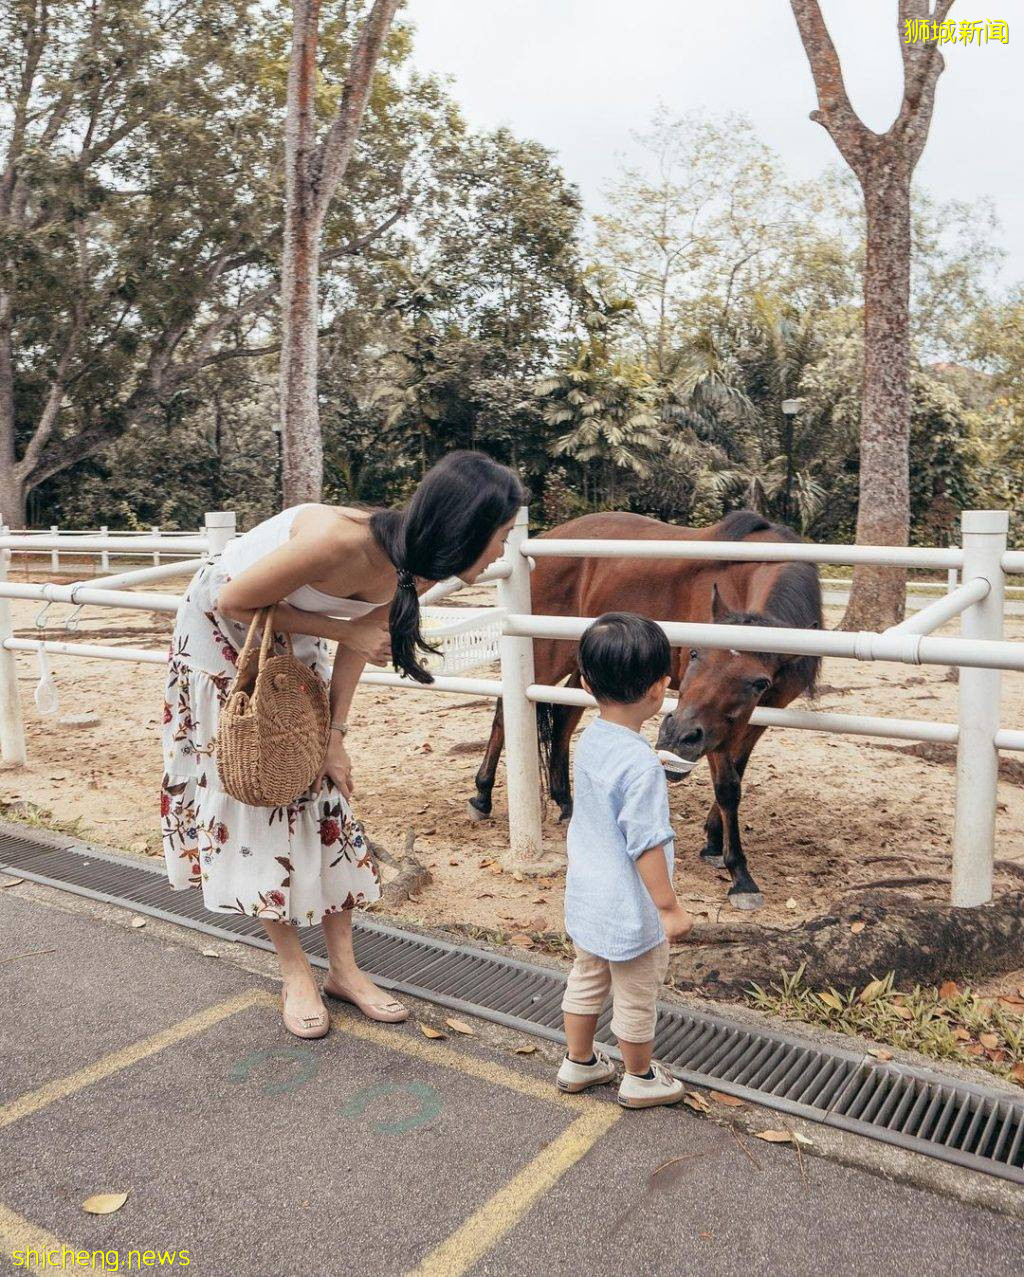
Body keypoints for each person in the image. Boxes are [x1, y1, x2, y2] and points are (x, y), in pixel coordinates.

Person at [160, 451, 525, 1038]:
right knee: (260, 790)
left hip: (291, 632)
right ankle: (294, 970)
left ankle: (345, 971)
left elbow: (365, 640)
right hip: (225, 638)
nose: (503, 552)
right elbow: (231, 602)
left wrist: (333, 736)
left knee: (324, 792)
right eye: (501, 537)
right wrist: (337, 628)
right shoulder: (340, 541)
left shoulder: (414, 565)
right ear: (467, 530)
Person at [557, 612, 694, 1108]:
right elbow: (646, 842)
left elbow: (606, 796)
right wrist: (668, 908)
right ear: (661, 690)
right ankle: (639, 1077)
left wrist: (644, 764)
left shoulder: (592, 739)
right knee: (636, 997)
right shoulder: (640, 766)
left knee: (586, 978)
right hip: (631, 908)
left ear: (588, 682)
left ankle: (579, 1062)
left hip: (589, 897)